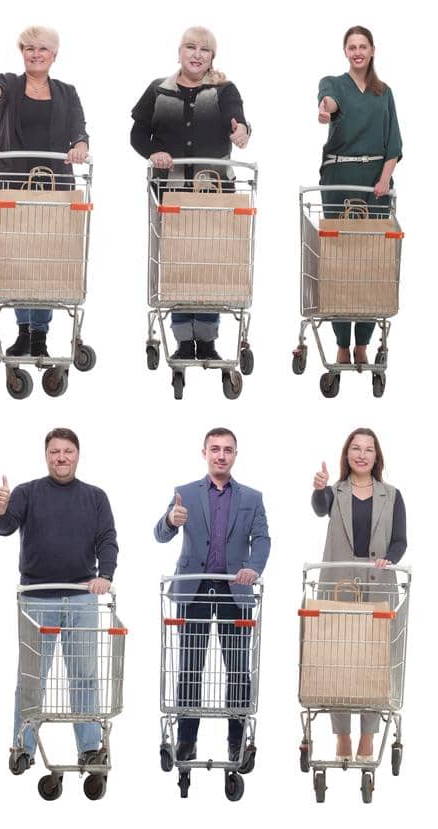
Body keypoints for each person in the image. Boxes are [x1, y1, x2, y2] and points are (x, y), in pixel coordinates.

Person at [0, 427, 117, 769]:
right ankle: (23, 746)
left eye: (68, 452)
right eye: (54, 452)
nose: (61, 458)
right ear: (46, 456)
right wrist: (0, 510)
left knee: (85, 676)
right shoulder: (27, 492)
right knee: (31, 677)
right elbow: (4, 528)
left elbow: (107, 539)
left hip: (81, 598)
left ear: (78, 455)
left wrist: (105, 575)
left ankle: (90, 747)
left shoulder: (95, 497)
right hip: (36, 599)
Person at [130, 27, 252, 361]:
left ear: (213, 56)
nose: (197, 54)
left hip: (214, 191)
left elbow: (238, 120)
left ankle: (208, 341)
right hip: (171, 193)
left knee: (210, 262)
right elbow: (138, 133)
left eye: (204, 50)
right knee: (179, 262)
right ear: (179, 51)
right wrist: (154, 151)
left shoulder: (223, 89)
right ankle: (184, 340)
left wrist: (241, 131)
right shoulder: (159, 90)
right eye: (190, 47)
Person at [152, 427, 269, 763]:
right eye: (215, 449)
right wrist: (171, 520)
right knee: (190, 667)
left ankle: (236, 741)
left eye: (228, 450)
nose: (221, 455)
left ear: (235, 455)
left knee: (237, 670)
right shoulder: (184, 493)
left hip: (236, 589)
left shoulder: (251, 498)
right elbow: (160, 534)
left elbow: (262, 539)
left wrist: (253, 568)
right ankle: (186, 741)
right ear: (204, 453)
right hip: (194, 589)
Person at [0, 26, 89, 358]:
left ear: (54, 55)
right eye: (29, 48)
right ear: (22, 53)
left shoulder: (67, 92)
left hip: (54, 187)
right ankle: (23, 332)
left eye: (42, 49)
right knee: (17, 259)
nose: (35, 54)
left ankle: (39, 336)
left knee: (46, 261)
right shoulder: (11, 84)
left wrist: (81, 146)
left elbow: (79, 129)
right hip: (13, 186)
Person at [310, 427, 406, 763]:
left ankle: (368, 736)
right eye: (355, 448)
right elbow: (321, 508)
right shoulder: (334, 491)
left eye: (368, 449)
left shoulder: (391, 495)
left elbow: (400, 540)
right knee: (337, 658)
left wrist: (389, 560)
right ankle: (343, 737)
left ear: (377, 457)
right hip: (338, 579)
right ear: (346, 454)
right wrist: (320, 488)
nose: (362, 454)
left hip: (378, 581)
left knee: (373, 659)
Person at [317, 26, 401, 366]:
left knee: (370, 262)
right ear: (345, 51)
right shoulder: (333, 83)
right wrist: (326, 110)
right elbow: (328, 102)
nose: (357, 51)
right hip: (339, 178)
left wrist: (384, 178)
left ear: (372, 50)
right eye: (351, 46)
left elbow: (393, 141)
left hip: (374, 183)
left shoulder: (384, 92)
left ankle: (363, 342)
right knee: (340, 260)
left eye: (362, 46)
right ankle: (341, 341)